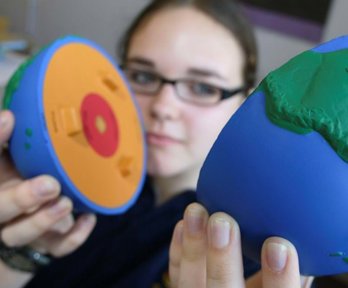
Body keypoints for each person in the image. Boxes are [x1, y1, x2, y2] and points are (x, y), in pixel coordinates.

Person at [0, 0, 314, 287]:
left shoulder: (249, 252)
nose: (163, 107)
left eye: (202, 87)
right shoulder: (72, 182)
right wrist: (19, 255)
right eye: (144, 76)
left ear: (243, 103)